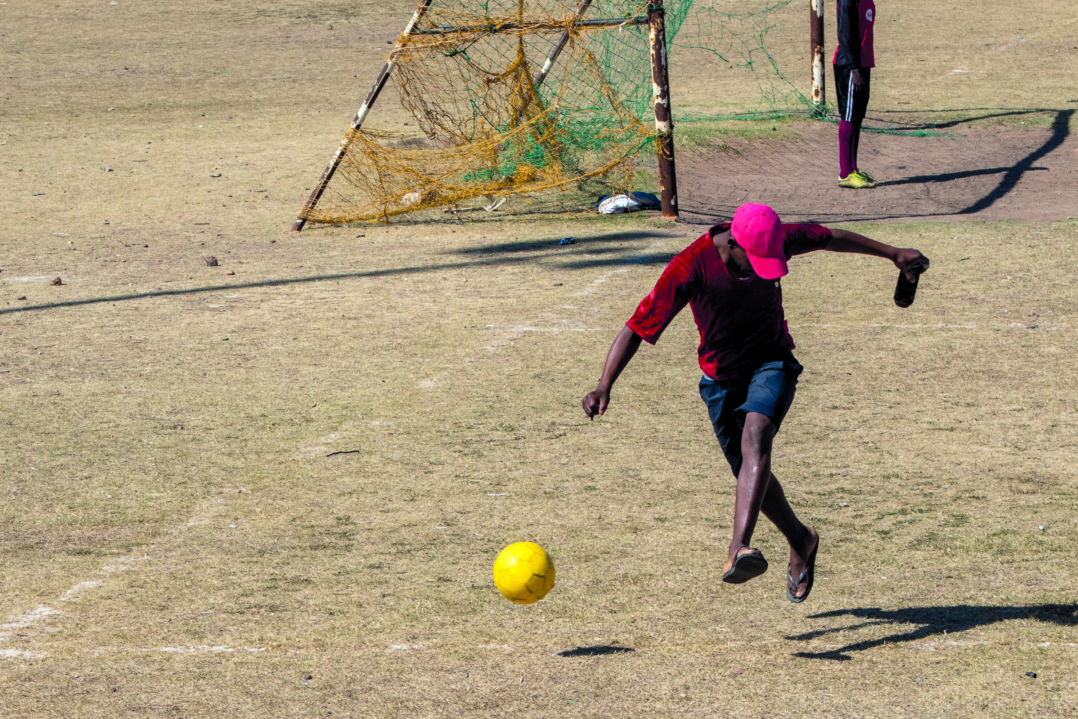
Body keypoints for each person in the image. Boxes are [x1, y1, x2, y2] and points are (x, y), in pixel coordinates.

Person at [581, 203, 929, 602]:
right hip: (720, 382)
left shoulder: (774, 236)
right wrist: (604, 383)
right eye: (756, 261)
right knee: (751, 473)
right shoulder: (689, 268)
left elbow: (829, 237)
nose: (763, 269)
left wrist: (892, 253)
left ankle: (738, 548)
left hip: (772, 361)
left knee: (757, 436)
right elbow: (636, 326)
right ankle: (801, 538)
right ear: (733, 243)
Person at [834, 0, 877, 189]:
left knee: (857, 117)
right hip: (850, 66)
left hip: (863, 63)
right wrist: (854, 68)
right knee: (849, 116)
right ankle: (845, 173)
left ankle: (853, 169)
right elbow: (845, 33)